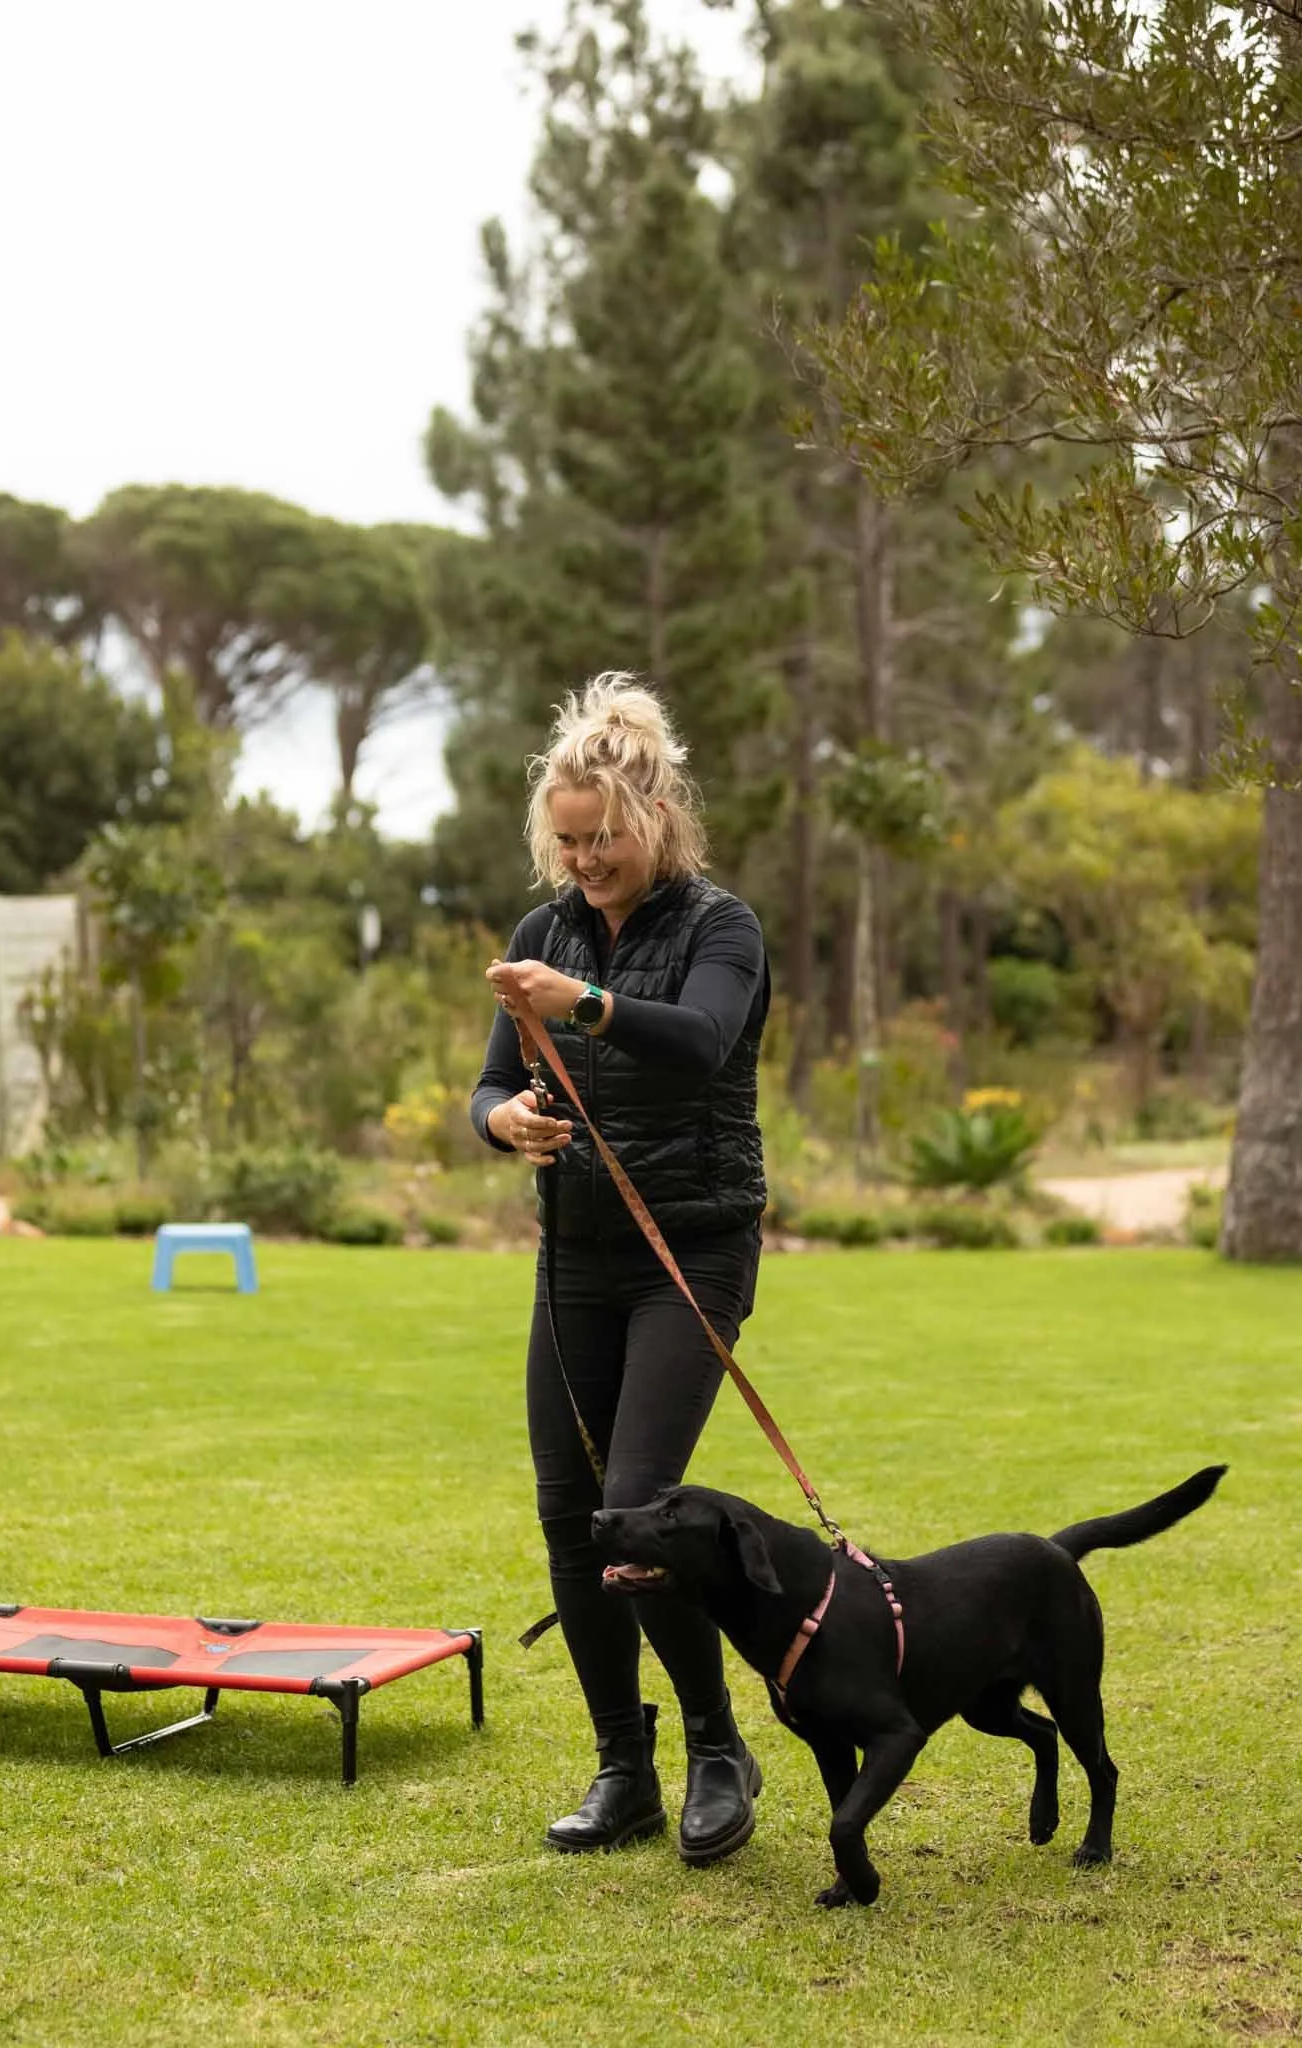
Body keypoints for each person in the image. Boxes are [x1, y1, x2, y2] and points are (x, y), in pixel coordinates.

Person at [471, 672, 771, 1865]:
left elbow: (699, 1043)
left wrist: (585, 1003)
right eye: (567, 840)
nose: (583, 860)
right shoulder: (539, 934)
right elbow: (491, 1084)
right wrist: (506, 1125)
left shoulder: (719, 927)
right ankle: (623, 1767)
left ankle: (717, 1749)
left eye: (601, 838)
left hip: (689, 1247)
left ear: (651, 819)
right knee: (569, 1516)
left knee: (635, 1513)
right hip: (575, 1257)